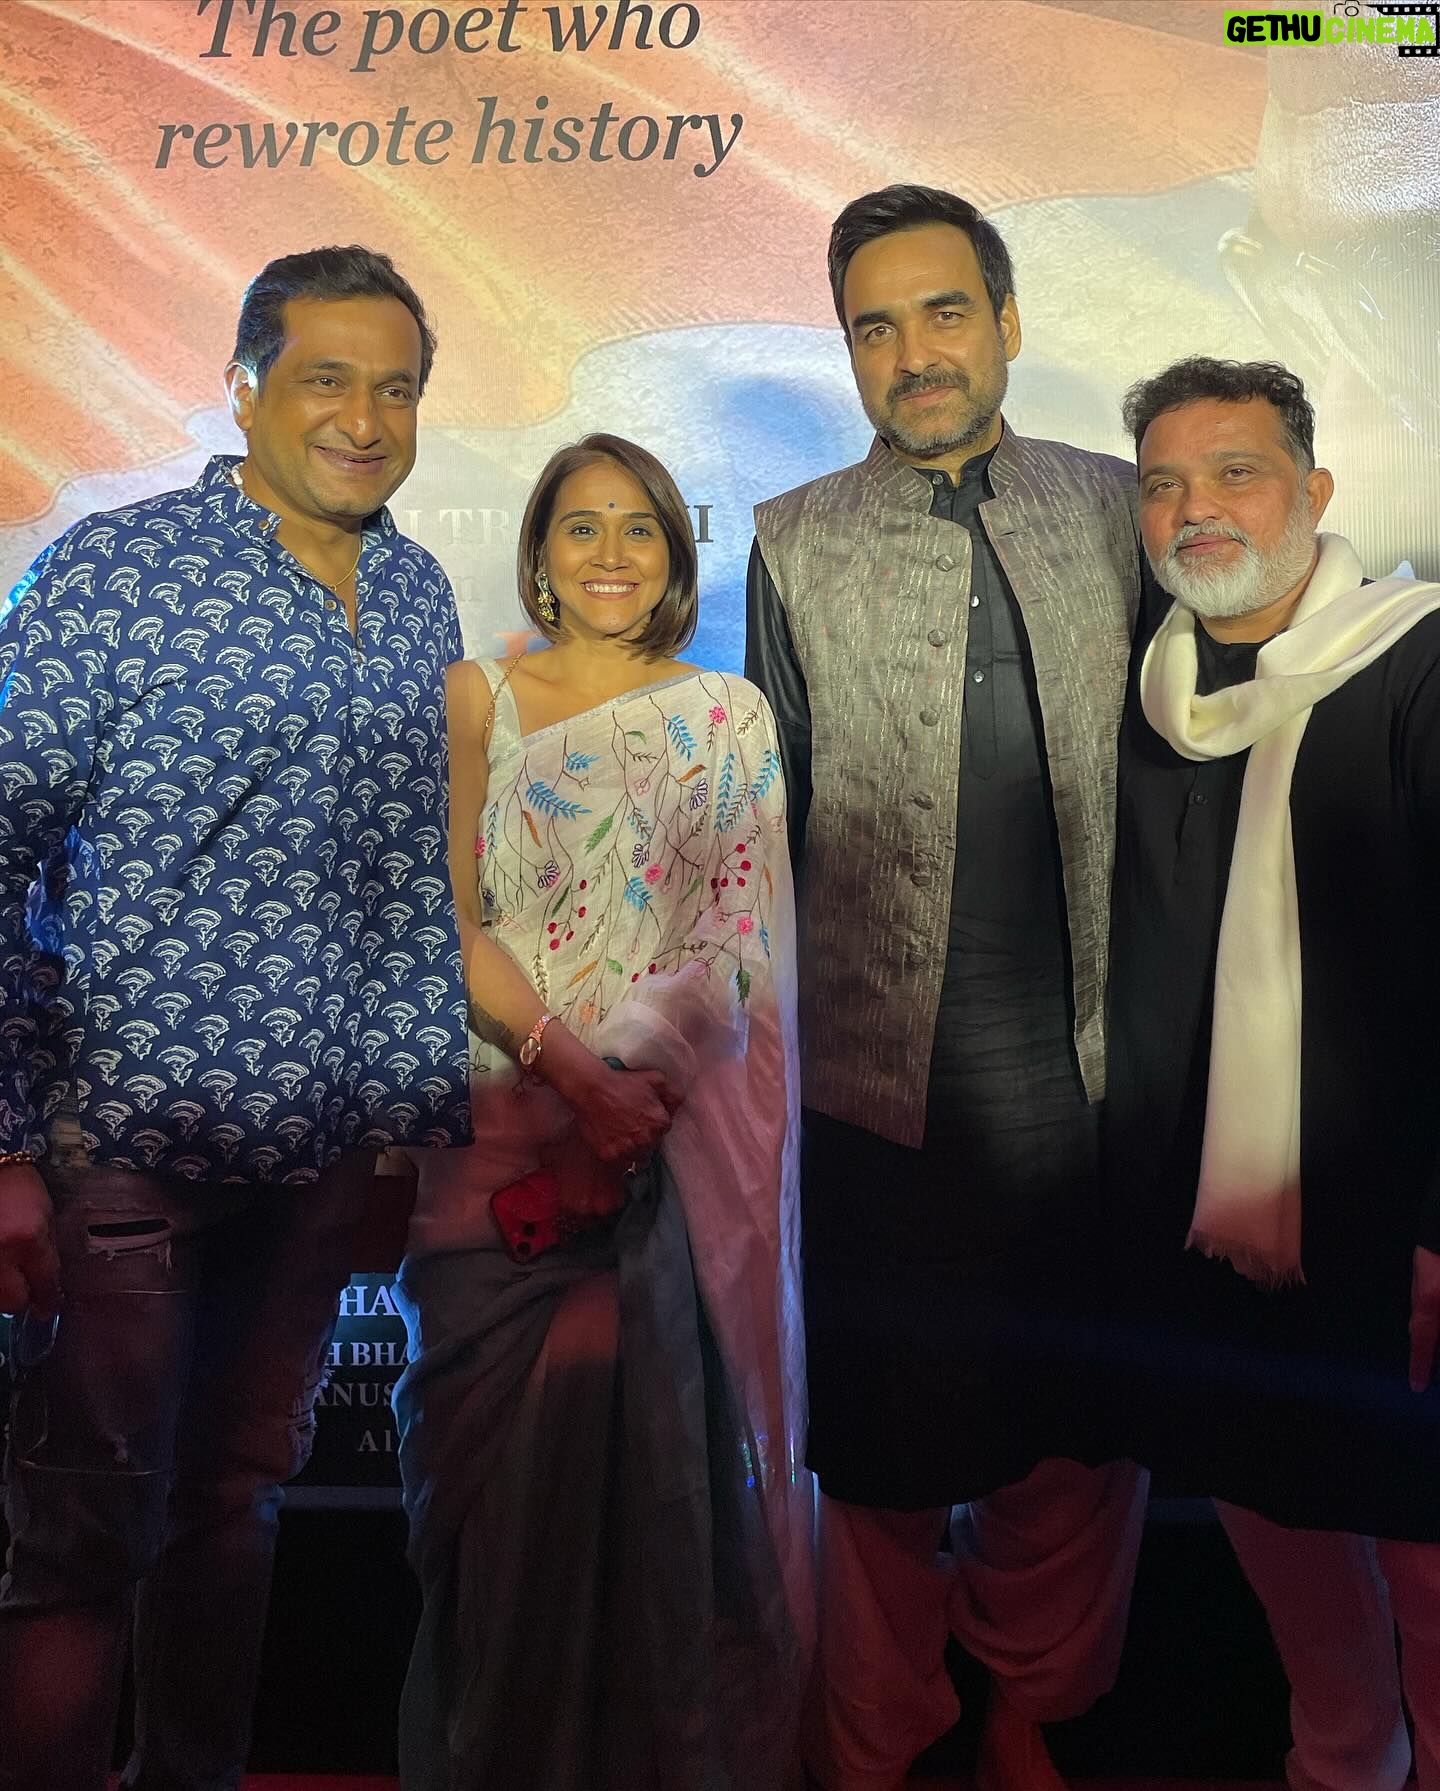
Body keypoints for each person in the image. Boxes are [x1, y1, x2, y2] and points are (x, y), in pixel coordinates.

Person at [0, 245, 474, 1791]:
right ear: (245, 387)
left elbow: (408, 883)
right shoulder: (119, 570)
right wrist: (4, 1150)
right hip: (121, 1160)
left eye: (396, 387)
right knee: (80, 1537)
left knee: (236, 1508)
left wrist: (401, 1142)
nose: (366, 418)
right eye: (328, 379)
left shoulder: (416, 592)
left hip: (318, 1169)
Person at [745, 183, 1149, 1791]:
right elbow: (764, 826)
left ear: (1008, 322)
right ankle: (877, 1735)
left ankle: (1034, 1711)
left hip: (1092, 1070)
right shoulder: (790, 537)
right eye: (875, 327)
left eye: (945, 313)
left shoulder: (1116, 505)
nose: (914, 354)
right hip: (872, 1086)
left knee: (1076, 1435)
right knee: (883, 1447)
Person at [393, 432, 811, 1791]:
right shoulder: (478, 698)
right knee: (504, 1501)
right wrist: (575, 1080)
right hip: (502, 1131)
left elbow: (737, 942)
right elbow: (450, 919)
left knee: (664, 1488)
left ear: (677, 555)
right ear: (540, 554)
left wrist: (629, 1099)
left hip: (669, 1146)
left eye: (640, 527)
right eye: (584, 526)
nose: (613, 553)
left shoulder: (727, 716)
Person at [1104, 355, 1440, 1791]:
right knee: (1274, 1521)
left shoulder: (1418, 667)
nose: (1196, 509)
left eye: (1234, 473)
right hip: (1213, 1231)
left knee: (1427, 1559)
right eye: (1164, 485)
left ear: (1316, 490)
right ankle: (1343, 1758)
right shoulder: (1159, 694)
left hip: (1395, 1229)